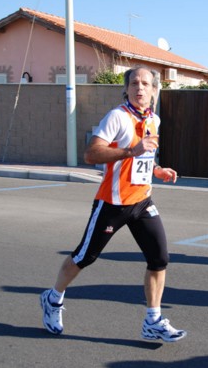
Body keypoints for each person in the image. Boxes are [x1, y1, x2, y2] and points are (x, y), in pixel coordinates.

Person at [39, 67, 187, 342]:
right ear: (127, 88)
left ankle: (153, 321)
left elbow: (145, 156)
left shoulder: (154, 119)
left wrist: (157, 170)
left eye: (145, 84)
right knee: (85, 256)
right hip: (113, 204)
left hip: (142, 202)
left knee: (159, 258)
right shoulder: (117, 117)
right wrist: (131, 150)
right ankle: (53, 298)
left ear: (154, 91)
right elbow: (91, 153)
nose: (139, 88)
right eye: (134, 83)